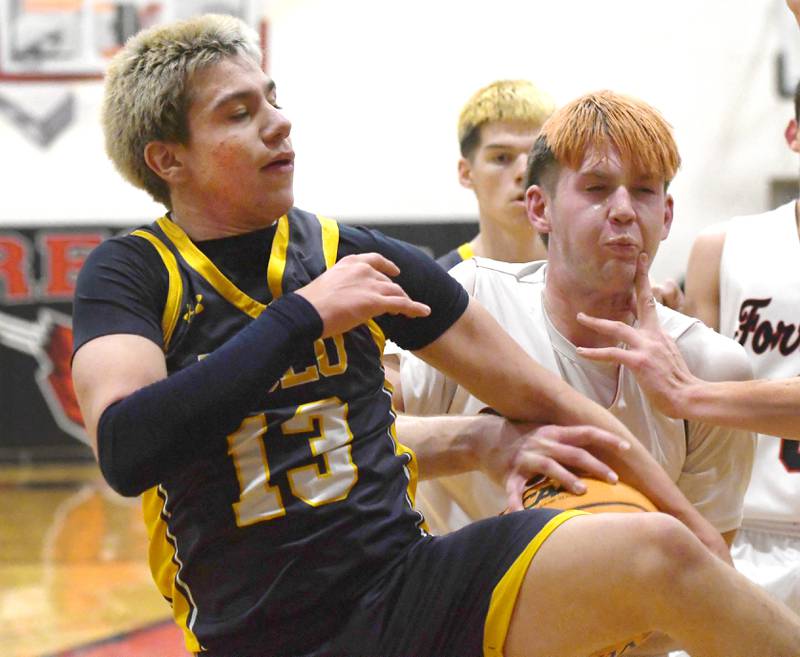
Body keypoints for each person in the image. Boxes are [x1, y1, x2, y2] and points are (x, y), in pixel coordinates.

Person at [70, 14, 800, 657]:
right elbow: (127, 447)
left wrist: (695, 535)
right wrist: (302, 318)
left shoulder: (350, 253)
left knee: (660, 552)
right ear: (168, 159)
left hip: (408, 587)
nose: (278, 123)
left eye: (273, 100)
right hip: (253, 630)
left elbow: (553, 402)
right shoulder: (133, 272)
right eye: (238, 113)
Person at [394, 92, 754, 561]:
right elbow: (360, 436)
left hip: (634, 604)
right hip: (465, 600)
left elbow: (706, 562)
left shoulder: (713, 366)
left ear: (666, 215)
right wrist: (479, 441)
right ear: (539, 208)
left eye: (644, 190)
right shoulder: (474, 297)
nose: (623, 209)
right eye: (597, 188)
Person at [581, 82, 800, 616]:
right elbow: (683, 407)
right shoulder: (725, 248)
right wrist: (668, 320)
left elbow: (683, 391)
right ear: (793, 134)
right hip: (743, 532)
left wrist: (688, 392)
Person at [437, 79, 553, 269]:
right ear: (466, 173)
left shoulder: (592, 279)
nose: (524, 171)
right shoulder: (440, 282)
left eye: (538, 155)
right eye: (502, 157)